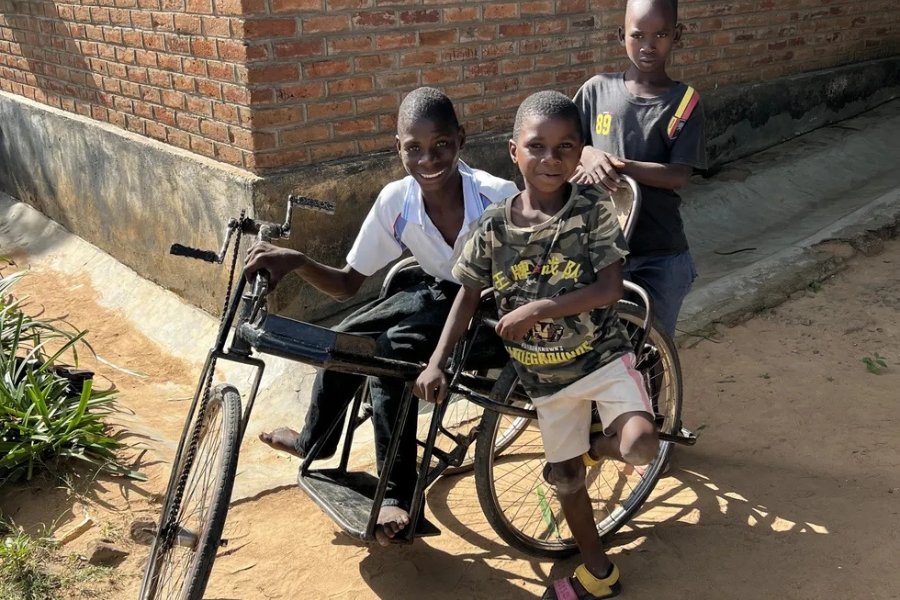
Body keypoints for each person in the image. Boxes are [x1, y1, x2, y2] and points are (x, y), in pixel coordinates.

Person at [245, 87, 518, 545]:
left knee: (390, 362)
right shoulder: (397, 200)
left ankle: (397, 494)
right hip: (434, 292)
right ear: (398, 148)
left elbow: (514, 282)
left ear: (461, 140)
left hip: (489, 308)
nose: (428, 159)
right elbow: (349, 282)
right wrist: (297, 261)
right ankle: (316, 440)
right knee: (346, 337)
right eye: (414, 148)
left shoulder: (496, 197)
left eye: (440, 146)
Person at [415, 91, 659, 600]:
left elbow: (610, 289)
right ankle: (598, 570)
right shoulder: (492, 228)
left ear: (578, 153)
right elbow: (466, 298)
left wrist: (537, 310)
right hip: (544, 381)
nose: (551, 160)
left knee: (640, 445)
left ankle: (598, 446)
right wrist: (437, 362)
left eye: (565, 148)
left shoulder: (591, 210)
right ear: (513, 152)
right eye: (537, 147)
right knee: (566, 480)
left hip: (601, 358)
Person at [572, 0, 707, 337]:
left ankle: (655, 391)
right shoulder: (595, 91)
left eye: (660, 34)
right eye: (638, 35)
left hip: (660, 254)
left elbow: (679, 174)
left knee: (652, 348)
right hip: (599, 250)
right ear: (621, 35)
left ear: (677, 35)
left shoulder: (685, 102)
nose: (649, 45)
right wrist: (587, 154)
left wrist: (622, 166)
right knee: (598, 347)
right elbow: (565, 147)